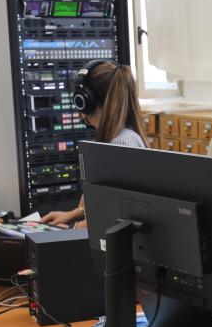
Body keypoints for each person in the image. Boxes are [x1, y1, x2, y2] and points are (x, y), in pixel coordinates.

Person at [41, 60, 148, 227]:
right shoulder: (122, 137)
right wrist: (72, 215)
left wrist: (71, 229)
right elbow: (107, 199)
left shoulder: (120, 144)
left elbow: (114, 213)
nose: (79, 113)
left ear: (87, 101)